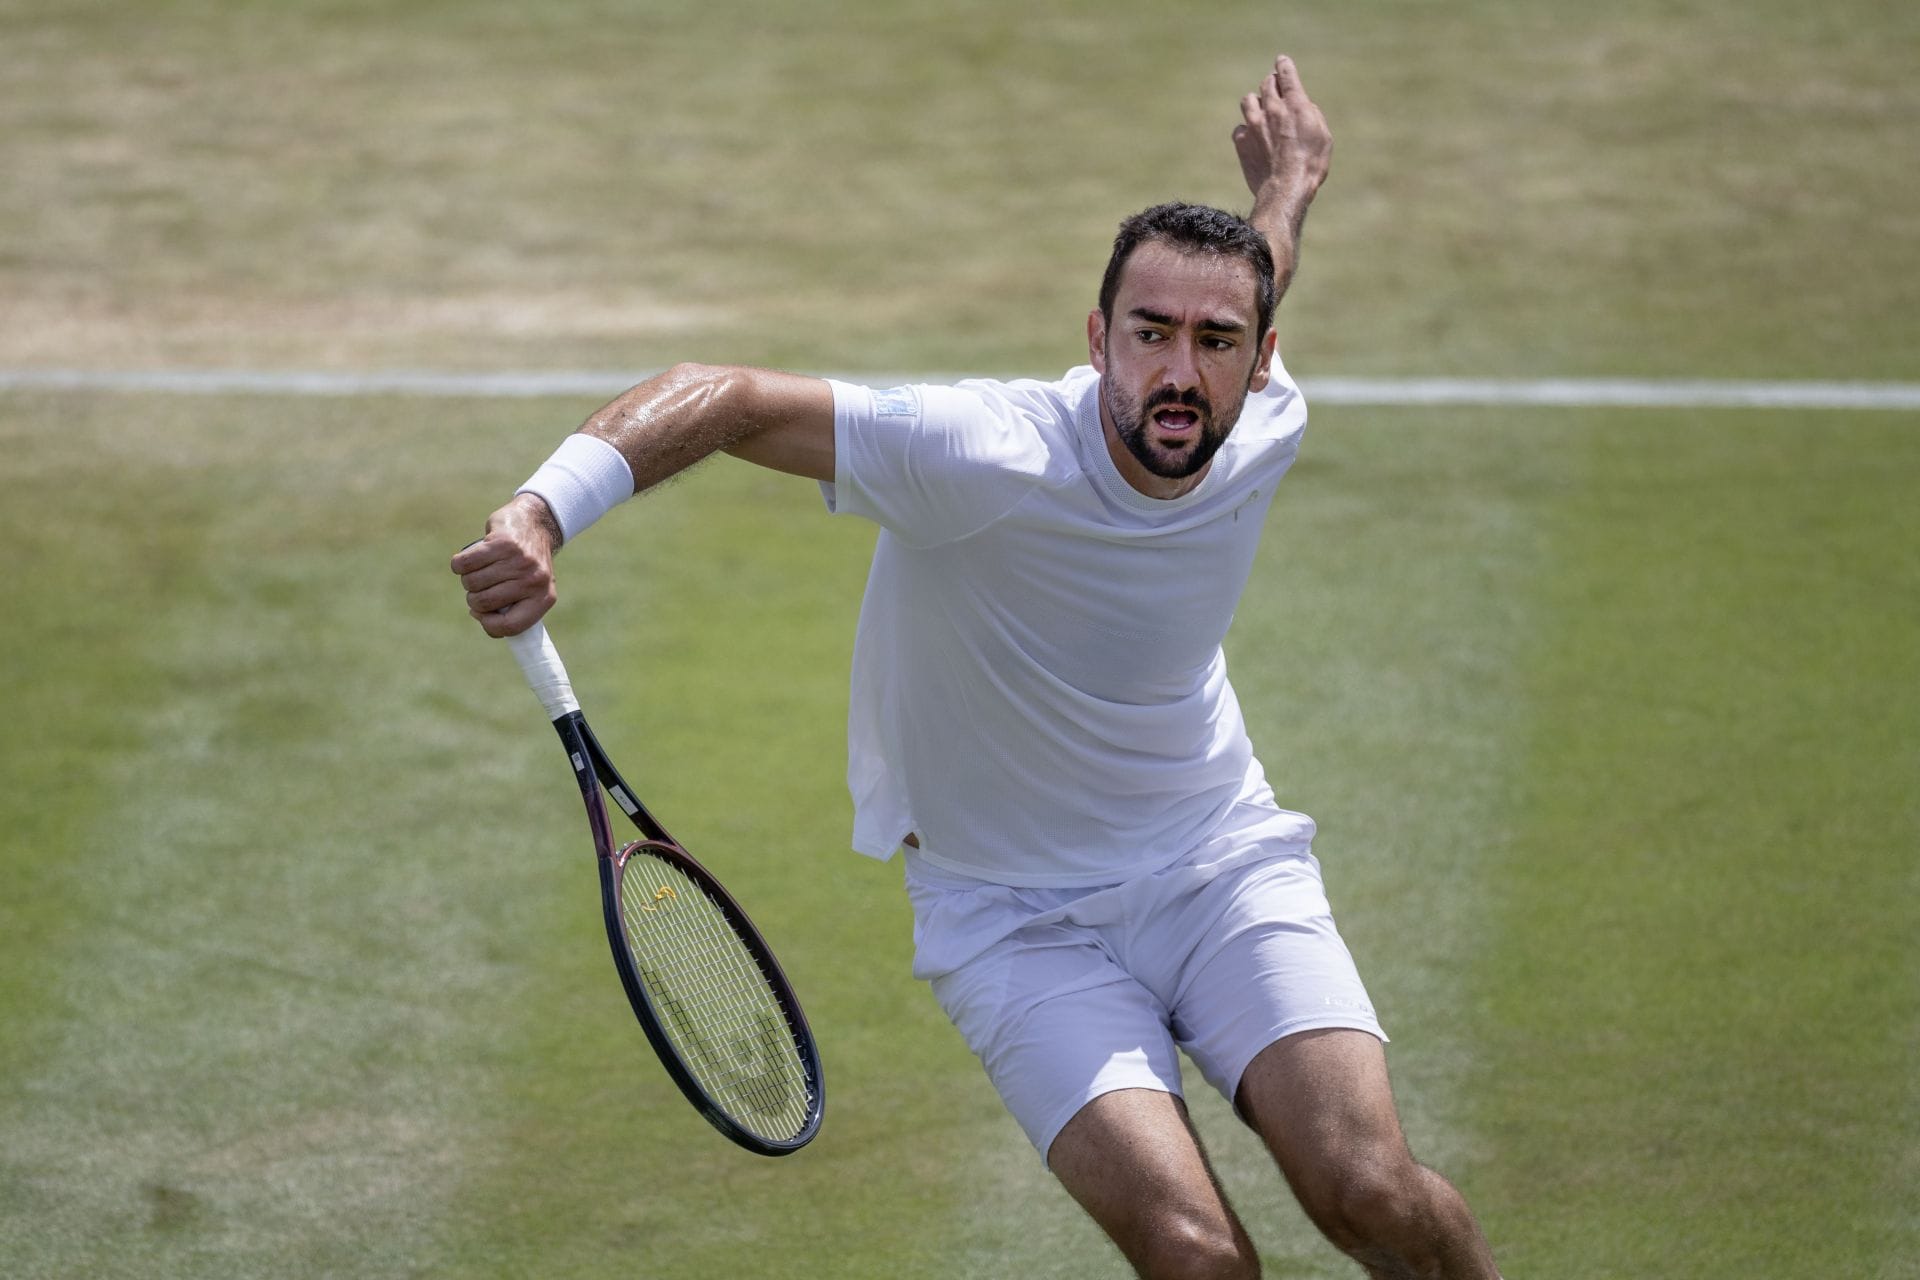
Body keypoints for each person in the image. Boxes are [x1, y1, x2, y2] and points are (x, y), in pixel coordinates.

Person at [453, 54, 1501, 1280]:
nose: (1179, 369)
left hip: (1217, 863)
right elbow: (726, 396)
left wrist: (1292, 188)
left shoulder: (1262, 418)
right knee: (1196, 1255)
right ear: (1097, 338)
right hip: (1012, 918)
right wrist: (541, 510)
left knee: (1369, 1188)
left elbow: (1253, 281)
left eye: (1216, 342)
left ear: (1260, 360)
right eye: (1148, 333)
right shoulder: (979, 452)